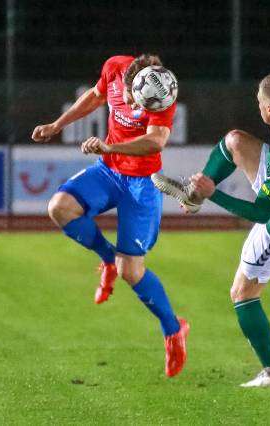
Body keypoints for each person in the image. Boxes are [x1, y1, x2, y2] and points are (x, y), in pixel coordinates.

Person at [152, 74, 270, 386]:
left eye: (260, 102)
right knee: (235, 141)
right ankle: (192, 196)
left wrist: (214, 194)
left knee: (242, 293)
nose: (258, 107)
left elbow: (261, 213)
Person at [31, 54, 189, 377]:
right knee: (59, 207)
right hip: (108, 172)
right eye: (130, 97)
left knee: (131, 271)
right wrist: (57, 125)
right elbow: (94, 96)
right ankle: (107, 258)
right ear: (127, 82)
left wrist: (110, 148)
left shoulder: (161, 94)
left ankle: (174, 330)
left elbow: (156, 141)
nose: (132, 105)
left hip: (142, 184)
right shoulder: (115, 67)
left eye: (138, 103)